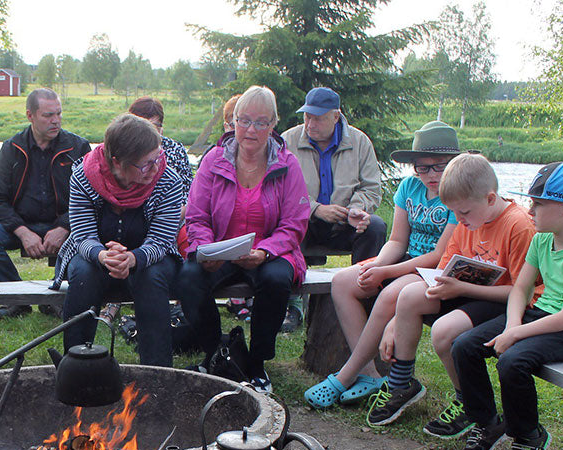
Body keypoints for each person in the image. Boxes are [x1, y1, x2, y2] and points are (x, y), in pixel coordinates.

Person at [365, 153, 536, 429]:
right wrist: (398, 320)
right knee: (409, 295)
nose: (459, 220)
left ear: (490, 199)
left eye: (464, 213)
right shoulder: (467, 221)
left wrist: (462, 287)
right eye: (454, 213)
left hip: (501, 301)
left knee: (443, 330)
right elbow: (442, 274)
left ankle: (467, 402)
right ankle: (400, 384)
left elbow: (522, 293)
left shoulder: (517, 225)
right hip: (465, 291)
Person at [304, 121, 463, 409]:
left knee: (390, 293)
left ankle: (344, 375)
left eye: (438, 167)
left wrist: (387, 272)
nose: (430, 175)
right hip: (405, 260)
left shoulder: (457, 195)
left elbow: (440, 255)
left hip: (435, 271)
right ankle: (369, 374)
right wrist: (376, 264)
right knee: (343, 281)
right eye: (422, 167)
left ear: (453, 164)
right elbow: (397, 240)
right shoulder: (408, 187)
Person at [175, 86, 310, 393]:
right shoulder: (212, 160)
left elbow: (295, 223)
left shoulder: (287, 164)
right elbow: (196, 216)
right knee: (188, 278)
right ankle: (215, 352)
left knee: (276, 280)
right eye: (244, 120)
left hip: (270, 251)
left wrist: (265, 251)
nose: (251, 129)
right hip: (221, 247)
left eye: (261, 122)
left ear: (273, 124)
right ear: (232, 121)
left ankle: (257, 363)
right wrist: (207, 251)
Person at [452, 160, 563, 450]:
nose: (530, 210)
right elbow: (520, 291)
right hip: (541, 315)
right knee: (464, 345)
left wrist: (516, 336)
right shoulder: (541, 239)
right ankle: (487, 423)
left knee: (512, 361)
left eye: (539, 203)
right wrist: (512, 326)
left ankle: (528, 436)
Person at [55, 113, 183, 367]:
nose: (155, 168)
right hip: (95, 256)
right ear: (117, 161)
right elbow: (82, 235)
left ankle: (157, 371)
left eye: (157, 158)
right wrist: (104, 255)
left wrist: (133, 258)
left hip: (151, 257)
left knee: (152, 277)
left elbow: (162, 239)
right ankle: (77, 365)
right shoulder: (83, 176)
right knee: (82, 272)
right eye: (145, 164)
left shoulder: (168, 181)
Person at [282, 87, 387, 332]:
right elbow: (280, 191)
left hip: (345, 221)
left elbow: (372, 188)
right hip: (304, 219)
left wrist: (356, 210)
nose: (310, 123)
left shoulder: (360, 142)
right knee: (285, 228)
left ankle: (362, 297)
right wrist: (316, 209)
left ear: (336, 116)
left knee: (375, 227)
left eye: (318, 118)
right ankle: (292, 305)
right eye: (307, 116)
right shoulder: (287, 141)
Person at [0, 88, 90, 319]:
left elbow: (89, 198)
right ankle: (16, 299)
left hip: (66, 226)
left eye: (59, 114)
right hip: (23, 224)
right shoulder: (11, 149)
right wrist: (23, 233)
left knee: (87, 236)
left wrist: (64, 227)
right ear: (30, 115)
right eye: (48, 115)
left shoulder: (78, 148)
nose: (56, 121)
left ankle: (59, 298)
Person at [127, 97, 194, 203]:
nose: (147, 132)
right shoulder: (122, 149)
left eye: (153, 126)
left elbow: (188, 195)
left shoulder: (176, 150)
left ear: (161, 129)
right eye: (142, 126)